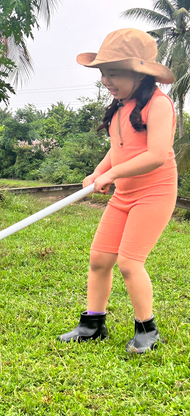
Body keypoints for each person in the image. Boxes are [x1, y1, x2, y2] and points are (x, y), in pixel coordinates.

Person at [58, 28, 178, 354]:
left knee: (129, 262)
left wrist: (112, 173)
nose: (106, 81)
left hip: (154, 192)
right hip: (124, 194)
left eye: (113, 74)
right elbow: (119, 148)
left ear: (139, 75)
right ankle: (92, 325)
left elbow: (155, 155)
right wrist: (98, 172)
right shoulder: (120, 106)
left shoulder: (159, 104)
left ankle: (147, 331)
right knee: (99, 259)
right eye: (103, 74)